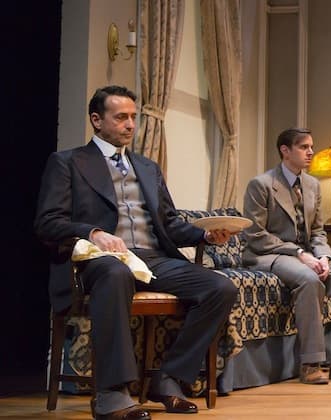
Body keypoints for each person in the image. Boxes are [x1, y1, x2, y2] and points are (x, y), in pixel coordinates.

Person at [35, 85, 237, 420]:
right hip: (99, 262)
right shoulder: (68, 162)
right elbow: (47, 222)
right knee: (115, 273)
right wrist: (93, 233)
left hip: (152, 259)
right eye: (121, 117)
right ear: (97, 120)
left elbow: (169, 223)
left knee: (220, 288)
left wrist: (205, 235)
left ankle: (169, 378)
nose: (130, 124)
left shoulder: (147, 167)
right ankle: (112, 392)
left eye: (133, 117)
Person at [242, 128, 331, 385]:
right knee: (309, 279)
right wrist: (299, 253)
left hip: (308, 255)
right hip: (270, 254)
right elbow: (255, 235)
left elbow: (317, 231)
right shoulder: (261, 185)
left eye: (311, 146)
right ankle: (311, 363)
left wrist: (324, 257)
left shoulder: (312, 185)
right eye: (304, 147)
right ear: (285, 151)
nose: (311, 152)